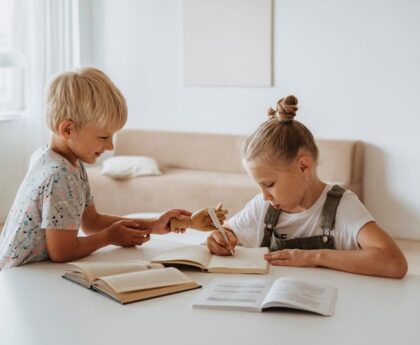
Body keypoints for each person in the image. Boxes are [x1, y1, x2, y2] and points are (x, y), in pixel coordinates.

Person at [0, 67, 192, 269]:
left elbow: (91, 222)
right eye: (103, 137)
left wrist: (153, 224)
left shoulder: (55, 159)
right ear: (67, 129)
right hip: (20, 277)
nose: (111, 147)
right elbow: (62, 251)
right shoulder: (59, 176)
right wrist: (108, 237)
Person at [207, 95, 408, 279]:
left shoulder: (342, 206)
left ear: (304, 167)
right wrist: (221, 238)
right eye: (260, 186)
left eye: (269, 184)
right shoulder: (263, 206)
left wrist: (315, 257)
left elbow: (394, 263)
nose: (265, 196)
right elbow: (230, 232)